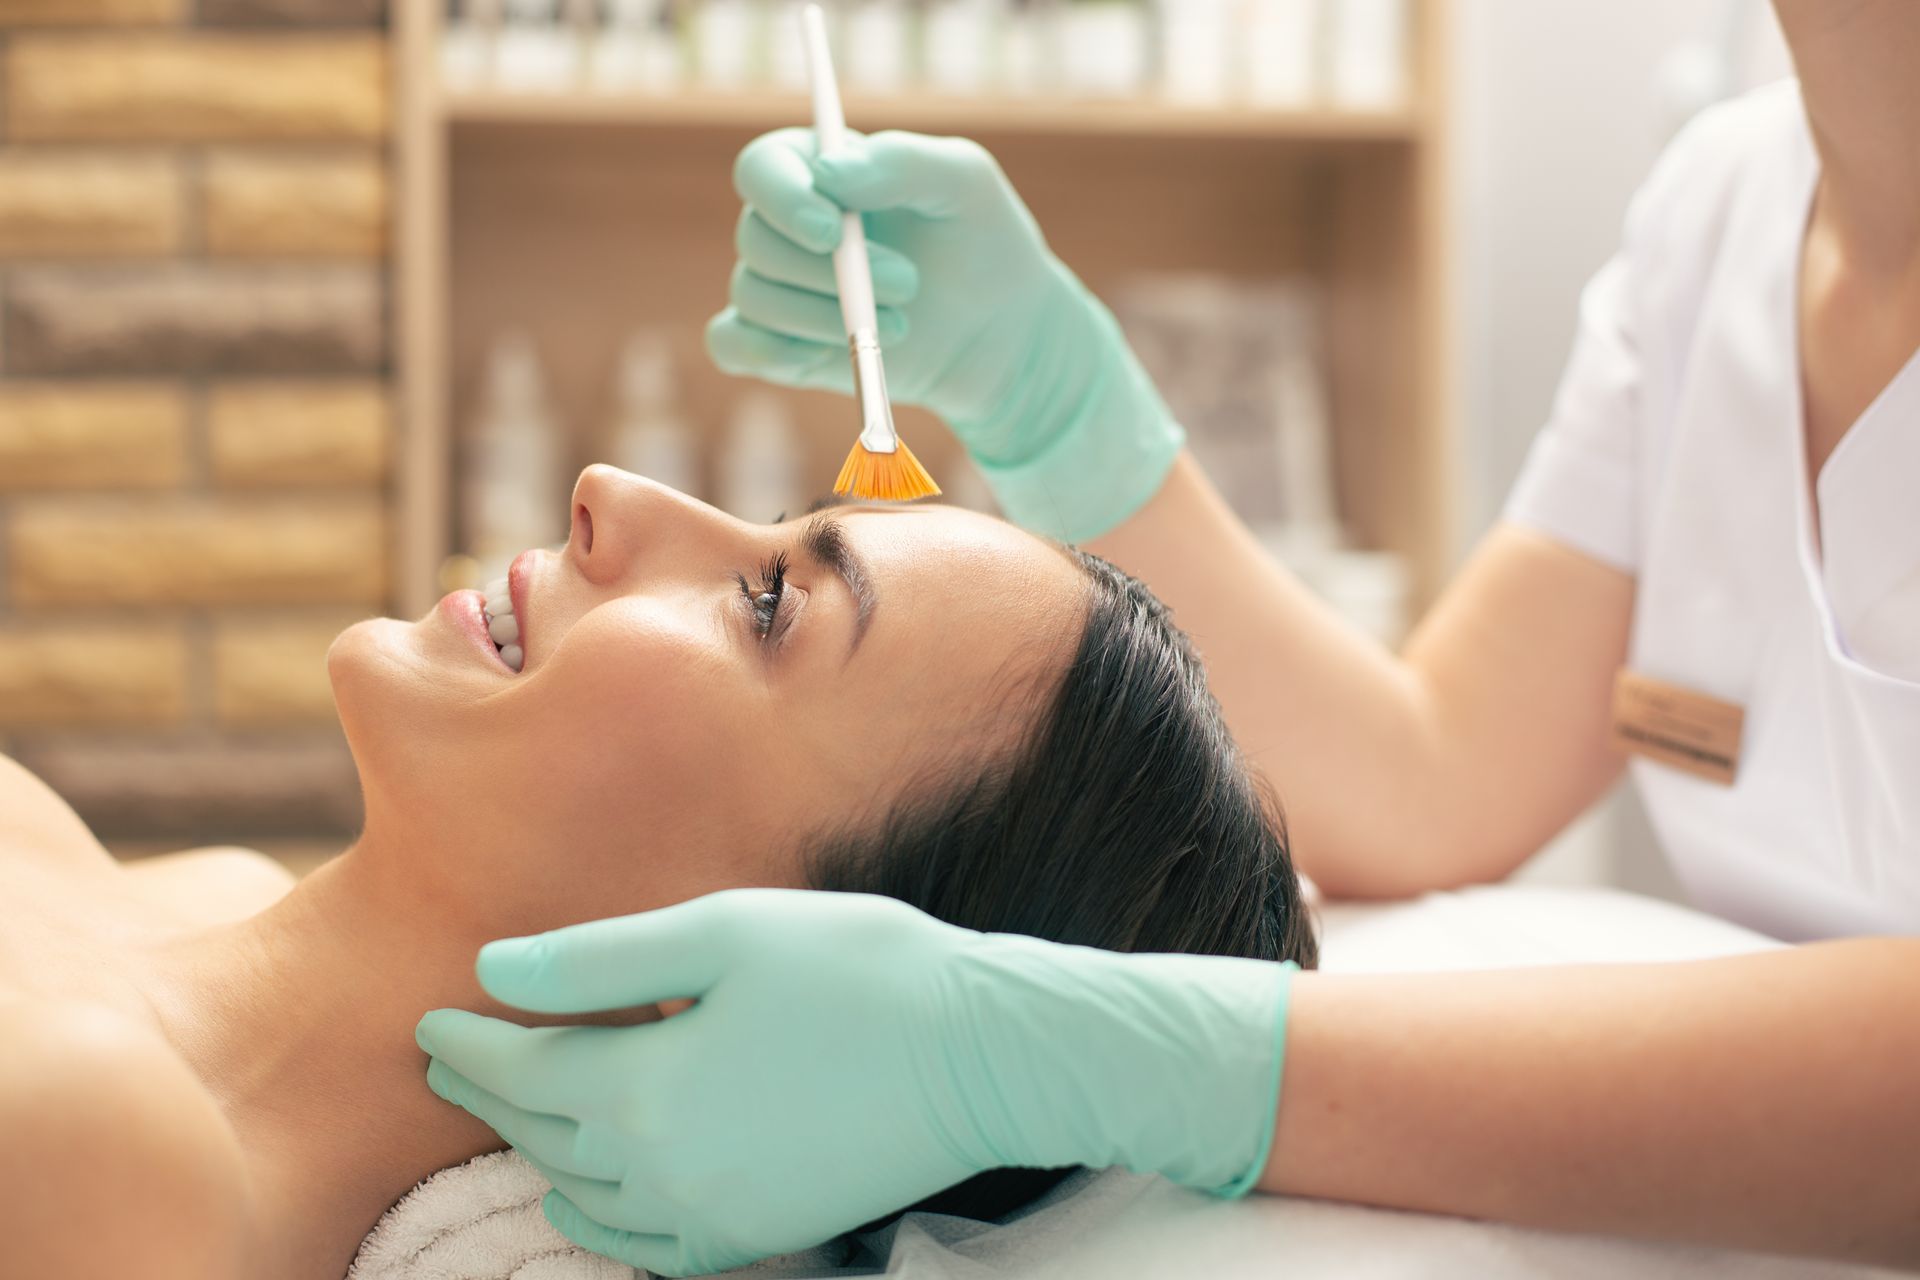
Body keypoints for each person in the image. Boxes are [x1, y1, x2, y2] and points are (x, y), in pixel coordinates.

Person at [419, 1, 1920, 1275]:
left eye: (773, 604)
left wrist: (1089, 1059)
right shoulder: (1720, 209)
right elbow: (1437, 779)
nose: (606, 498)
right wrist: (1063, 413)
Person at [2, 466, 1314, 1279]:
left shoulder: (103, 1169)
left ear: (775, 977)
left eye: (766, 605)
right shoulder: (190, 888)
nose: (608, 492)